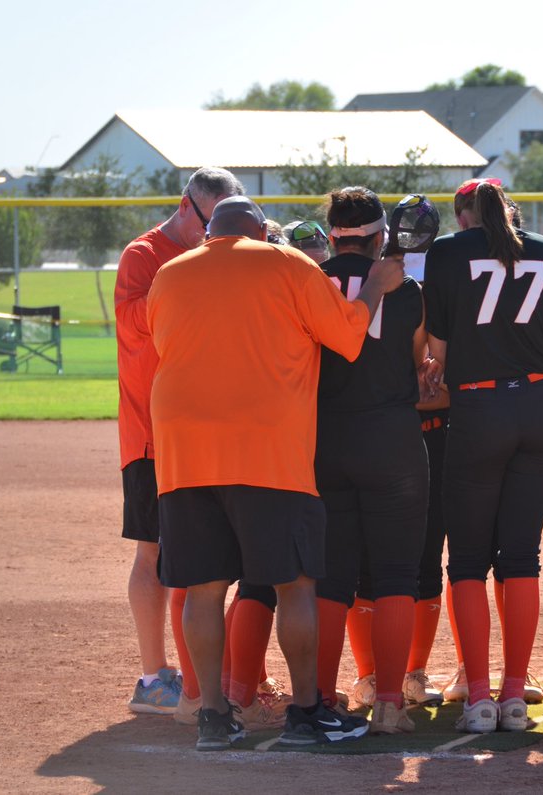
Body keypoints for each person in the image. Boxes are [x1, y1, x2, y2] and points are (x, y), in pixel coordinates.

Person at [145, 195, 404, 751]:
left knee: (204, 588)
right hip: (266, 448)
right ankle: (308, 712)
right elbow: (347, 337)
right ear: (263, 230)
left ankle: (213, 715)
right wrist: (378, 285)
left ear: (210, 232)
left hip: (185, 452)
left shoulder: (169, 272)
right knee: (295, 585)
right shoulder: (289, 264)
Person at [421, 178, 543, 734]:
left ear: (463, 216)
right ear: (509, 210)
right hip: (541, 406)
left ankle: (479, 696)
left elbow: (438, 348)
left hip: (480, 408)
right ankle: (513, 693)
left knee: (466, 561)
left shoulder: (447, 251)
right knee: (521, 557)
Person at [116, 167, 244, 717]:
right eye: (210, 219)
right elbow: (132, 324)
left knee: (204, 556)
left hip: (206, 428)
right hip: (151, 432)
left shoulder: (218, 256)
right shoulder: (144, 255)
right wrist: (190, 281)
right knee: (154, 551)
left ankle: (203, 676)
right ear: (186, 206)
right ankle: (153, 677)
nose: (216, 231)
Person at [311, 187, 429, 734]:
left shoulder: (310, 279)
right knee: (397, 575)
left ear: (332, 233)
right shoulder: (407, 289)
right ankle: (388, 701)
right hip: (393, 437)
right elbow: (418, 360)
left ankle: (319, 696)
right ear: (381, 234)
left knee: (331, 578)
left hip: (326, 438)